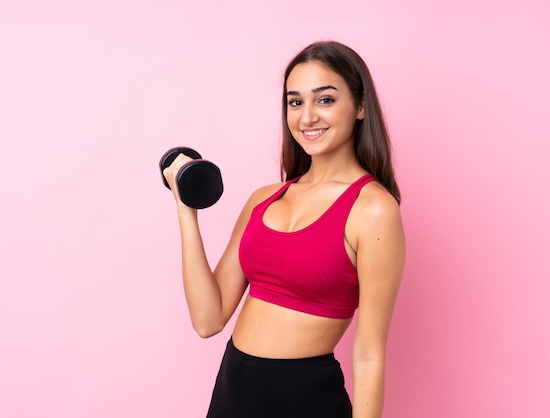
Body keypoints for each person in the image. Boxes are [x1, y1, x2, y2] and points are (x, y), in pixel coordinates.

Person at [163, 40, 405, 418]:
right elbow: (208, 320)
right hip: (230, 394)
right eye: (295, 102)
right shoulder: (265, 199)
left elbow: (369, 354)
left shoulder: (373, 209)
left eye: (324, 100)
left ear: (359, 106)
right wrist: (186, 209)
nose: (307, 117)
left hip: (305, 400)